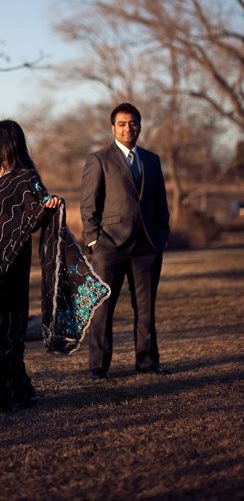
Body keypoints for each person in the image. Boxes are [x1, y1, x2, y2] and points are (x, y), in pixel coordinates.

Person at [0, 120, 110, 412]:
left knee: (7, 329)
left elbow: (37, 215)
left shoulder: (27, 178)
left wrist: (50, 206)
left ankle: (9, 393)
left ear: (10, 142)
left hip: (12, 266)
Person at [81, 103, 171, 379]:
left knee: (146, 310)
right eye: (122, 124)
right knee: (102, 310)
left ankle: (147, 362)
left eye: (132, 123)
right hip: (110, 247)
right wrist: (94, 241)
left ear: (140, 126)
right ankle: (98, 367)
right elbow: (88, 205)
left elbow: (160, 204)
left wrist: (160, 238)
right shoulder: (99, 159)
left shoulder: (152, 160)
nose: (128, 128)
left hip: (146, 248)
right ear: (112, 128)